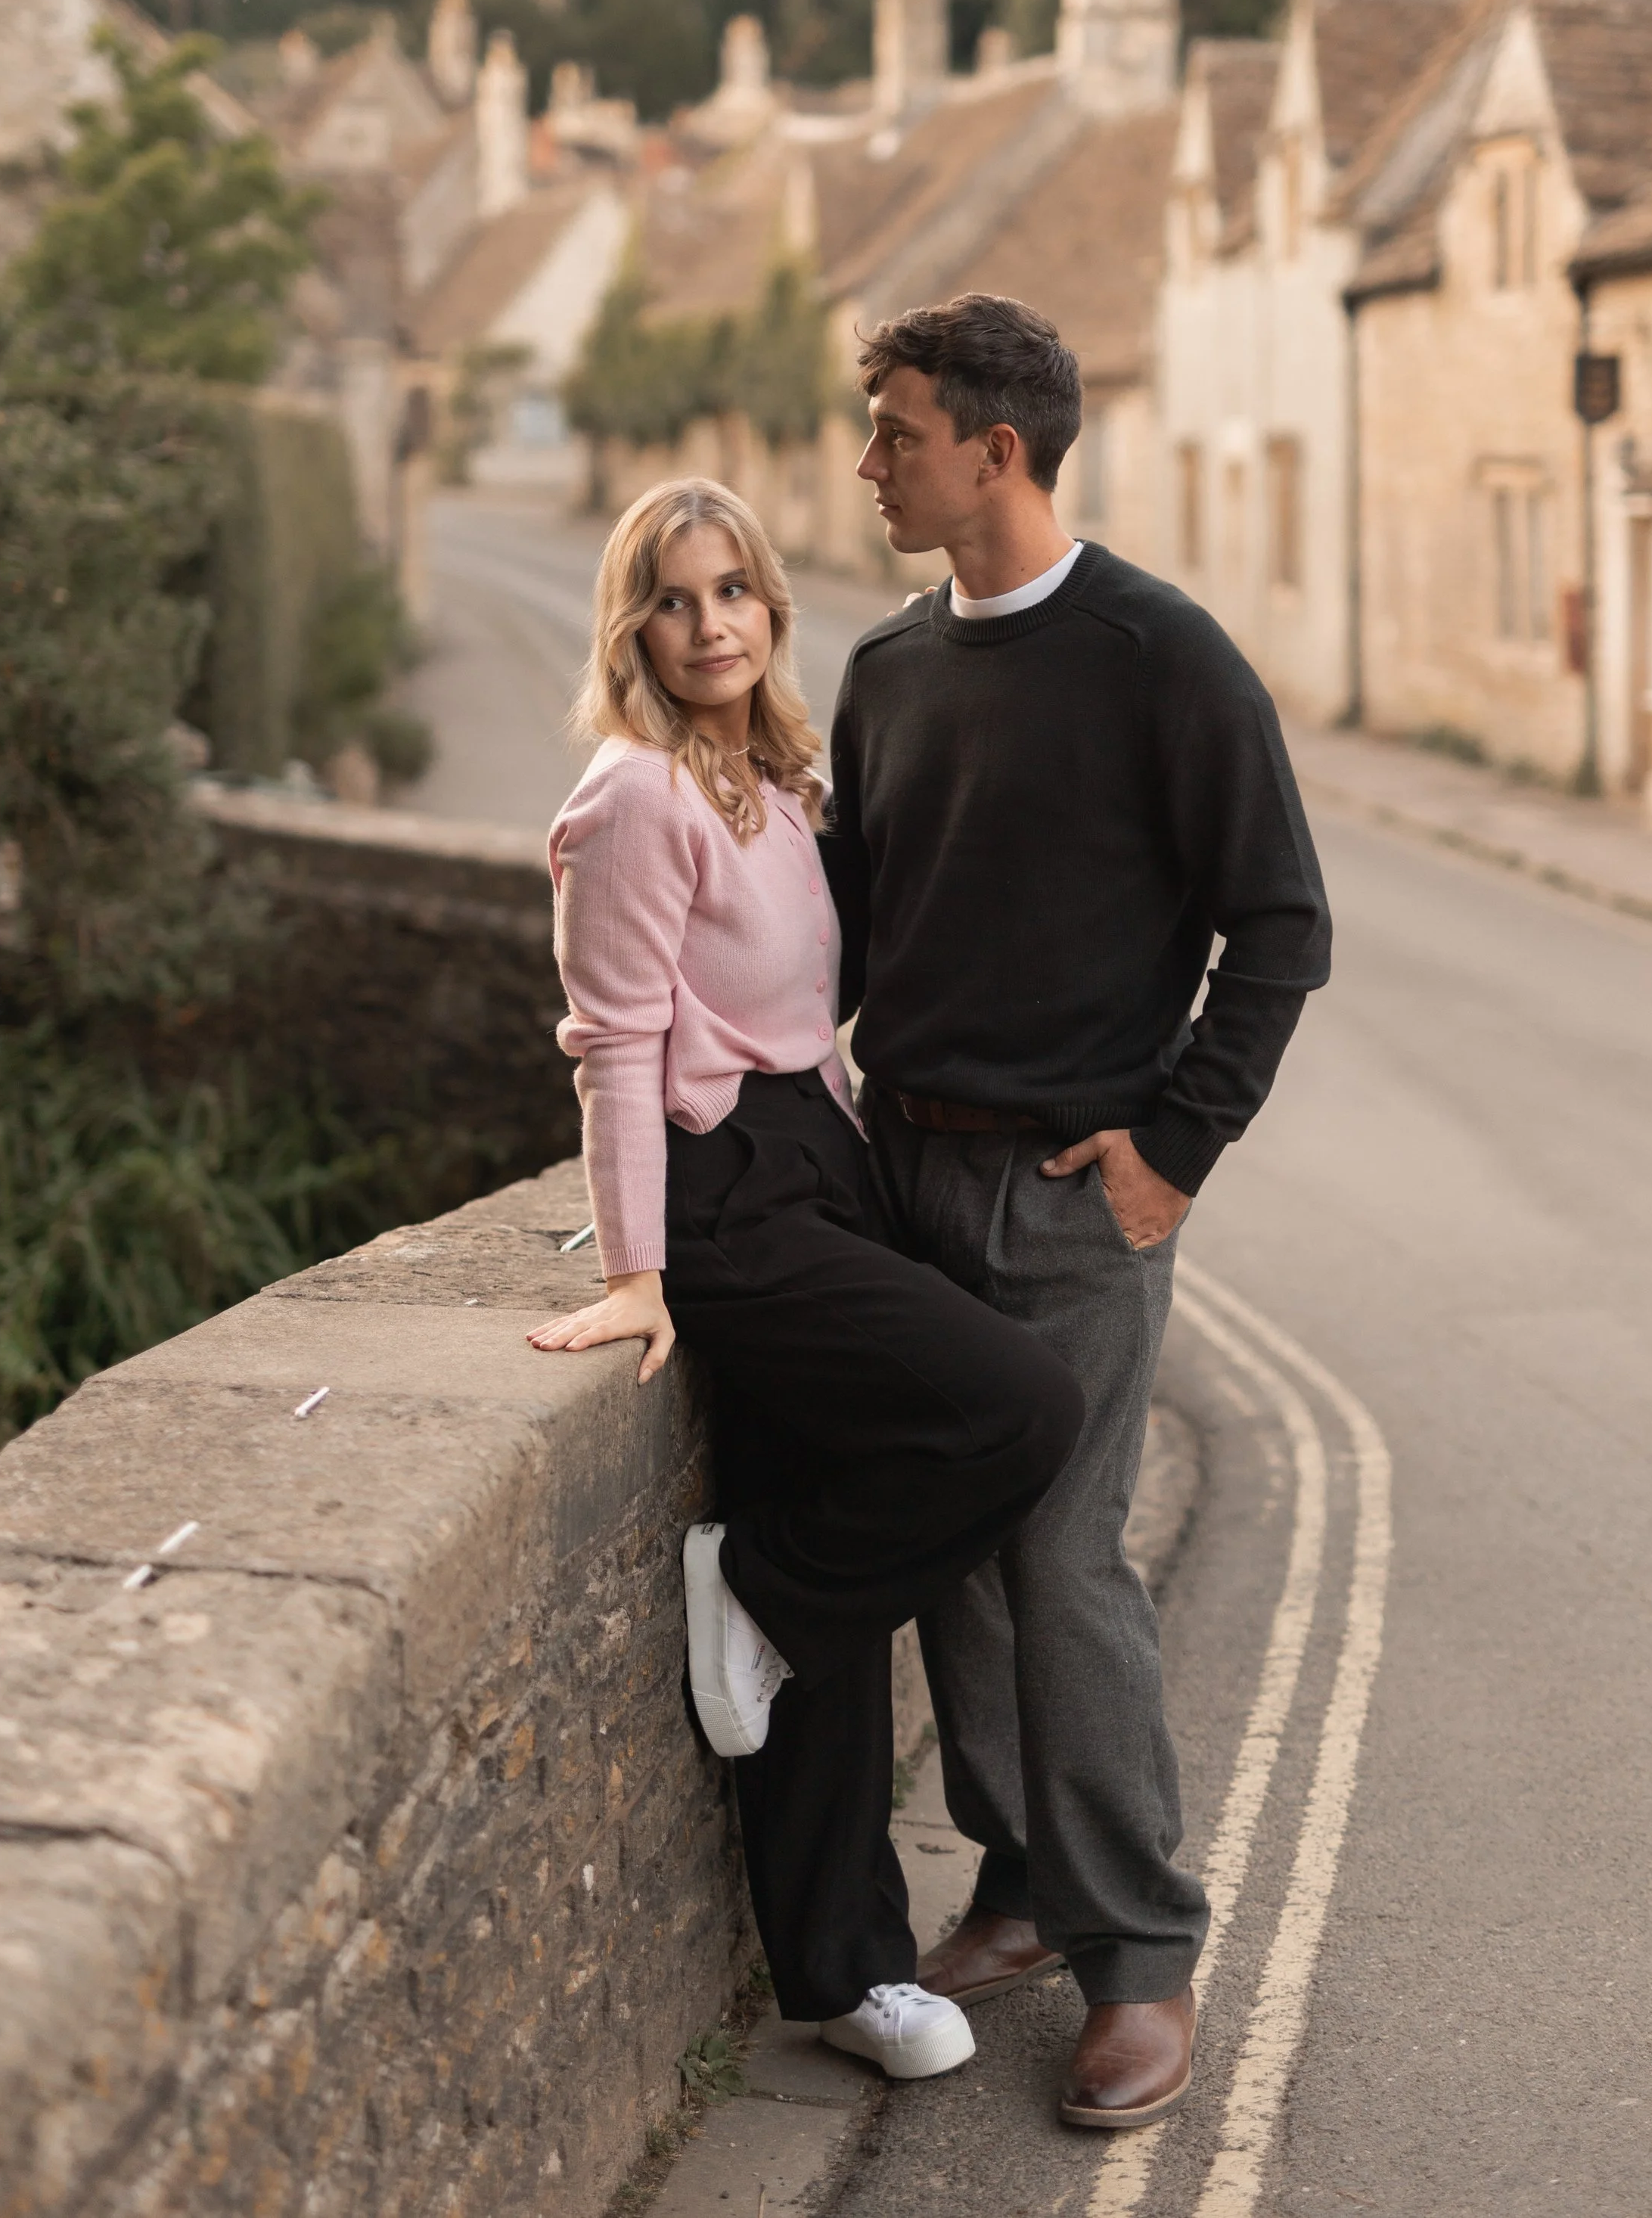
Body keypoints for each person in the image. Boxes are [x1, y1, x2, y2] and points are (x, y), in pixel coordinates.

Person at [821, 294, 1332, 2133]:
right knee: (954, 1558)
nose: (867, 459)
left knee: (1058, 1561)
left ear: (995, 451)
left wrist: (1167, 1153)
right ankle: (1022, 1885)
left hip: (1067, 1203)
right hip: (904, 1175)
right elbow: (839, 939)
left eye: (891, 429)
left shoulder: (1161, 658)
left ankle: (1140, 1957)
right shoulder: (884, 670)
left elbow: (1279, 927)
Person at [526, 477, 1083, 2084]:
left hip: (815, 1160)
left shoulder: (772, 777)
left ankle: (846, 1974)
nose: (707, 625)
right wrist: (639, 1266)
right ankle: (760, 1586)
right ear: (631, 625)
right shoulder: (630, 799)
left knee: (825, 1599)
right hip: (729, 1199)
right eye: (671, 599)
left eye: (732, 593)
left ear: (772, 608)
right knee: (1014, 1409)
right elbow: (612, 1044)